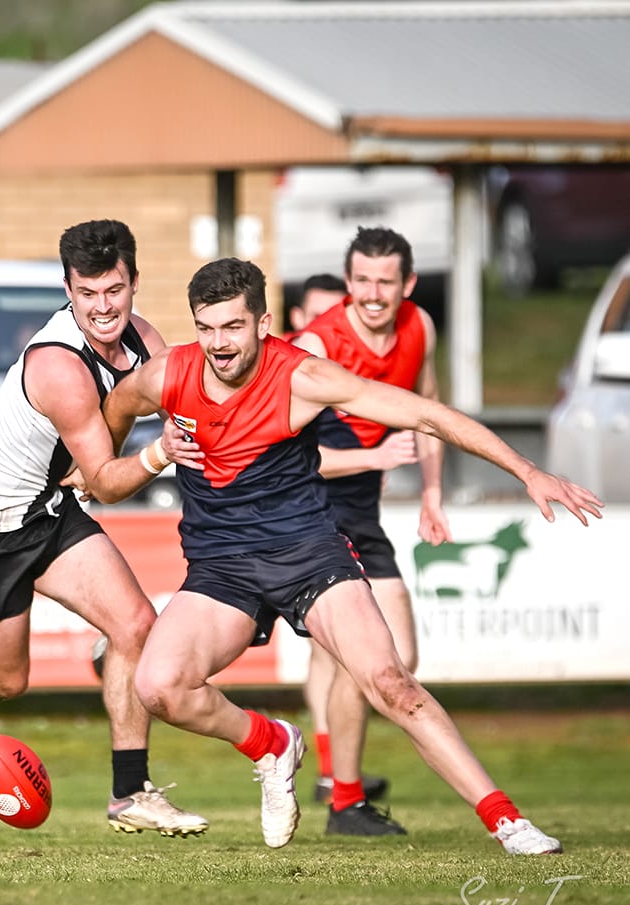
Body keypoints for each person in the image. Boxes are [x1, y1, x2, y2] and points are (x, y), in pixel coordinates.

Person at [94, 255, 600, 854]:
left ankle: (507, 821)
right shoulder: (165, 376)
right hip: (222, 566)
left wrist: (527, 469)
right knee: (159, 687)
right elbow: (111, 418)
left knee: (392, 683)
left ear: (262, 323)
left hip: (308, 554)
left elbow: (426, 413)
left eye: (232, 327)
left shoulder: (303, 377)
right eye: (207, 328)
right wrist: (136, 458)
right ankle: (272, 743)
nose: (219, 344)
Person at [0, 219, 208, 837]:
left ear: (134, 282)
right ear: (68, 289)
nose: (103, 308)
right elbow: (106, 481)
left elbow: (192, 398)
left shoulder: (142, 339)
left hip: (47, 511)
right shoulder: (59, 366)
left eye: (114, 290)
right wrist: (161, 454)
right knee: (5, 679)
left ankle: (129, 793)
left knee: (137, 625)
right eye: (88, 293)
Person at [292, 228, 442, 834]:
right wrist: (380, 460)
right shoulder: (315, 343)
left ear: (406, 284)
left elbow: (428, 409)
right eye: (362, 281)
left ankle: (339, 791)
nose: (373, 294)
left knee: (397, 659)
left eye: (386, 282)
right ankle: (341, 794)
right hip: (311, 514)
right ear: (347, 281)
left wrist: (432, 493)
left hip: (366, 514)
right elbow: (291, 457)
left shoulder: (420, 328)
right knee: (362, 660)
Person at [283, 273, 344, 343]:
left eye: (337, 318)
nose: (328, 327)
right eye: (318, 318)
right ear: (297, 318)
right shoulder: (275, 352)